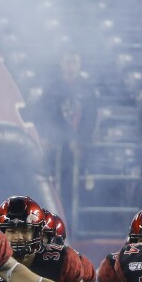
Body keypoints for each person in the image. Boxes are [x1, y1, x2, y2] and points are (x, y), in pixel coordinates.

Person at [36, 53, 97, 207]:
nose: (71, 65)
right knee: (53, 184)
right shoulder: (52, 88)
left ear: (79, 65)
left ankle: (74, 224)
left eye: (74, 62)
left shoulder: (87, 89)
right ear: (62, 64)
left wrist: (80, 140)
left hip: (78, 147)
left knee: (77, 186)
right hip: (55, 145)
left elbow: (91, 117)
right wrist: (44, 136)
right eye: (68, 62)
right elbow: (43, 114)